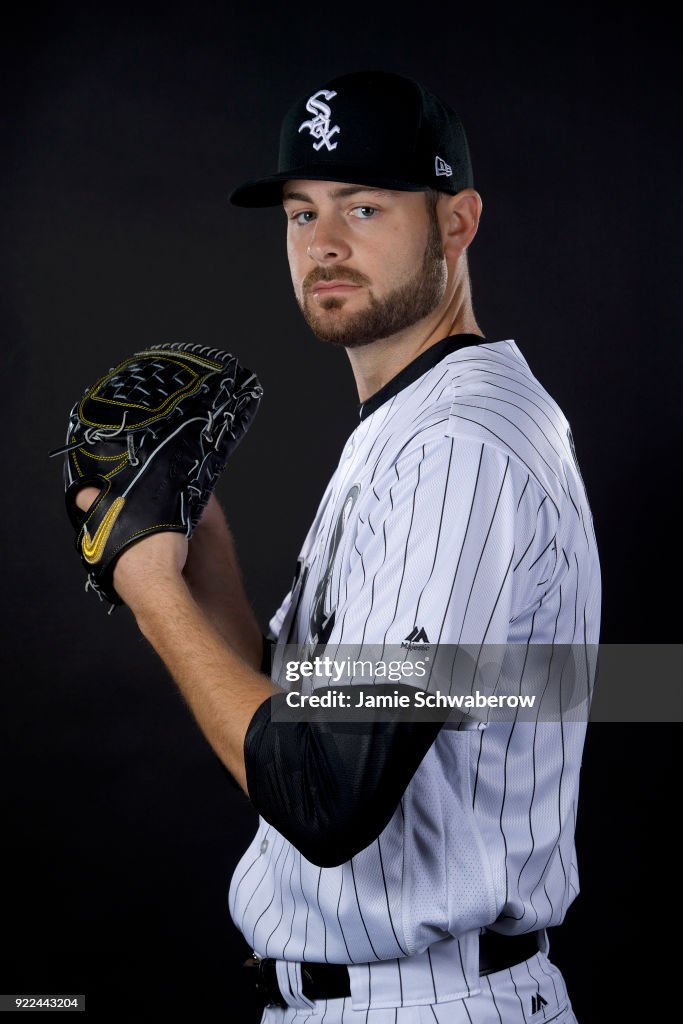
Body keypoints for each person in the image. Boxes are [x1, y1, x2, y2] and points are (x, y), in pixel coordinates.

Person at [76, 71, 601, 1022]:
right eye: (299, 211)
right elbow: (302, 723)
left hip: (426, 1005)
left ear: (457, 221)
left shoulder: (457, 448)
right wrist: (201, 557)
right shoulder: (414, 426)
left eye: (364, 206)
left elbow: (325, 797)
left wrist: (150, 595)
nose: (322, 245)